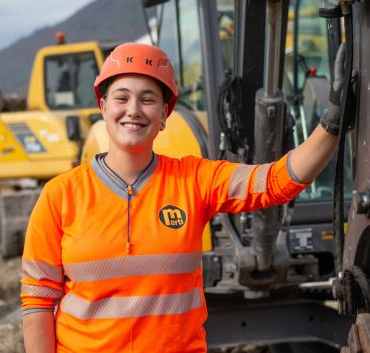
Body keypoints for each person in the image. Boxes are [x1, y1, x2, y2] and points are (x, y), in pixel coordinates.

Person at [21, 42, 344, 352]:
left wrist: (331, 122)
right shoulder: (60, 195)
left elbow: (276, 181)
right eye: (121, 98)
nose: (133, 110)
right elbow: (38, 300)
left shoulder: (193, 179)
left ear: (164, 113)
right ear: (103, 107)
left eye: (148, 99)